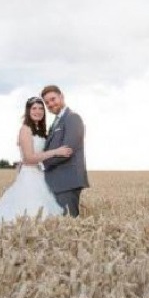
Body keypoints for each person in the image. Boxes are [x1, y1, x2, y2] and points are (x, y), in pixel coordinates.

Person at [0, 96, 72, 228]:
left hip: (39, 174)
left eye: (41, 108)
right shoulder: (25, 129)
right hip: (29, 176)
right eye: (34, 108)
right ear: (28, 111)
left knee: (44, 215)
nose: (38, 111)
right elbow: (28, 159)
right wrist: (56, 151)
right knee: (30, 214)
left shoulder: (40, 130)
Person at [40, 85, 89, 217]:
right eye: (47, 102)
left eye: (53, 99)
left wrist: (40, 163)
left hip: (67, 182)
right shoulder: (56, 122)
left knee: (68, 226)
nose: (50, 104)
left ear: (61, 96)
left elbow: (67, 151)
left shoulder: (73, 118)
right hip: (55, 182)